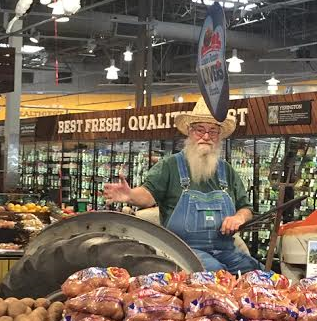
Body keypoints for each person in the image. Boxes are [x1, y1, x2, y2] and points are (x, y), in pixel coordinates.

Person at [102, 99, 258, 273]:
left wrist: (239, 218)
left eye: (213, 131)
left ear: (219, 136)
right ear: (190, 131)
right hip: (183, 251)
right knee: (213, 274)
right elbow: (148, 195)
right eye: (200, 130)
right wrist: (130, 195)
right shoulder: (170, 166)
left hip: (225, 250)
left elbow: (246, 208)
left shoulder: (226, 171)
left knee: (257, 273)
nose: (206, 136)